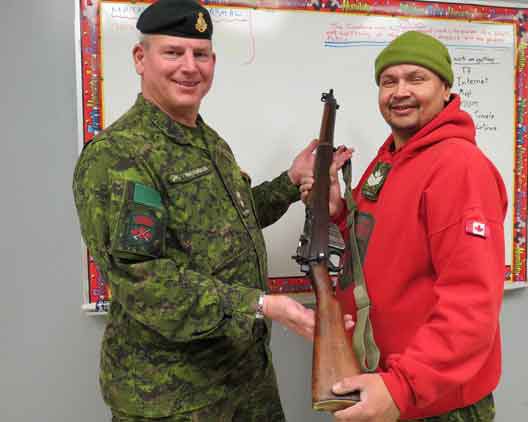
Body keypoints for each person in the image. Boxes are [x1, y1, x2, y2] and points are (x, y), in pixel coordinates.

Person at [73, 1, 350, 420]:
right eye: (173, 52)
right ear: (139, 58)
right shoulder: (120, 156)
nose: (189, 67)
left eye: (200, 54)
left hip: (246, 380)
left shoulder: (208, 141)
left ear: (213, 62)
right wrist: (261, 305)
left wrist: (290, 182)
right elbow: (148, 282)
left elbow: (227, 225)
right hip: (176, 399)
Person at [301, 31, 507, 421]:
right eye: (388, 81)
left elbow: (471, 304)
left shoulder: (458, 167)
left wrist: (403, 385)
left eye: (417, 79)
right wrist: (339, 212)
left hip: (432, 403)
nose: (400, 92)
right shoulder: (388, 159)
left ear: (445, 88)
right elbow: (375, 250)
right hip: (383, 386)